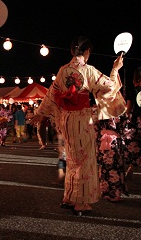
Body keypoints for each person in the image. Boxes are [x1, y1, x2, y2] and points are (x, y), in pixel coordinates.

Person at [32, 36, 125, 216]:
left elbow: (52, 94)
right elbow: (110, 87)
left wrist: (40, 113)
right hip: (82, 119)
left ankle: (69, 197)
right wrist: (115, 69)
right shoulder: (88, 70)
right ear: (87, 52)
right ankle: (81, 203)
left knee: (73, 159)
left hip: (66, 119)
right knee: (85, 161)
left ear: (72, 51)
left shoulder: (63, 70)